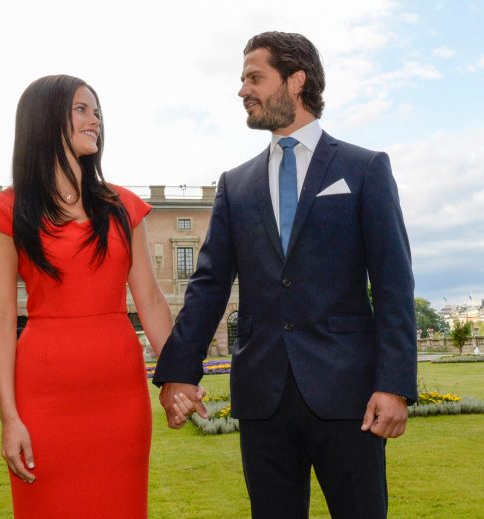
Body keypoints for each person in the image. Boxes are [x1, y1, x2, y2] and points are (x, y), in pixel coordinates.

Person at [153, 32, 417, 518]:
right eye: (242, 79)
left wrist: (395, 383)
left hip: (348, 397)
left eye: (254, 77)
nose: (242, 90)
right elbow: (209, 284)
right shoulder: (236, 184)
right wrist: (177, 372)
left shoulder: (364, 169)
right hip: (262, 397)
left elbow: (394, 284)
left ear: (296, 81)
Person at [0, 75, 183, 518]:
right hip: (43, 396)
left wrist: (177, 375)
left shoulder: (124, 205)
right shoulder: (4, 212)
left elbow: (150, 298)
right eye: (82, 110)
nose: (96, 121)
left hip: (120, 396)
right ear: (46, 122)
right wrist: (10, 417)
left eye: (97, 111)